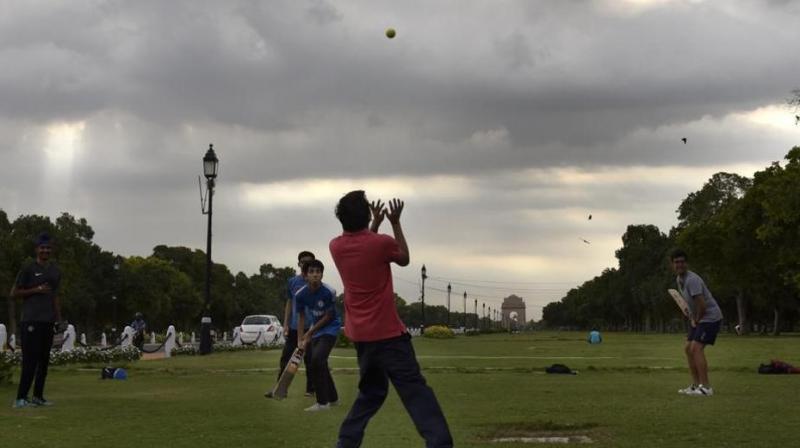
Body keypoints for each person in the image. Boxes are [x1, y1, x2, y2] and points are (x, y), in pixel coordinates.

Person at [330, 191, 453, 448]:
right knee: (415, 391)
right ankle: (440, 443)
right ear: (364, 215)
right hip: (389, 337)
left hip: (362, 337)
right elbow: (404, 258)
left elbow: (364, 243)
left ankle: (346, 442)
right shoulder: (381, 243)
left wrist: (374, 223)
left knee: (371, 393)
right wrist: (395, 222)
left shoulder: (336, 247)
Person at [10, 233, 62, 408]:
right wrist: (36, 289)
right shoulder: (28, 269)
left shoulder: (55, 271)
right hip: (31, 320)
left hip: (47, 321)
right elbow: (14, 293)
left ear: (51, 250)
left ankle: (38, 397)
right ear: (37, 249)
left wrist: (58, 319)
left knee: (43, 362)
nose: (45, 250)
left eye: (48, 248)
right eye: (42, 247)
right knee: (30, 361)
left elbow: (55, 296)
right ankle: (20, 398)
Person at [671, 249, 723, 397]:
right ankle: (696, 386)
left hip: (710, 317)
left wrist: (697, 320)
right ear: (672, 264)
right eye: (676, 262)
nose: (679, 265)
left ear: (686, 263)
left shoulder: (692, 279)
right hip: (699, 317)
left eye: (682, 262)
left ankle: (706, 388)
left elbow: (702, 305)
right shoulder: (679, 280)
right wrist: (689, 315)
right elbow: (689, 303)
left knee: (696, 349)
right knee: (688, 349)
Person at [266, 250, 315, 398]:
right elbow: (289, 302)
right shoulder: (293, 282)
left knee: (311, 360)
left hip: (311, 328)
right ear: (299, 264)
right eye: (303, 261)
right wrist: (285, 323)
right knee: (286, 359)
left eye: (309, 261)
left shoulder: (316, 282)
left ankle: (311, 390)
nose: (306, 264)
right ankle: (280, 389)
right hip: (294, 328)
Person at [296, 259, 341, 412]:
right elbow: (301, 317)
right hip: (315, 331)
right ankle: (333, 399)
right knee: (318, 363)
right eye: (311, 272)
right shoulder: (300, 295)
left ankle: (323, 403)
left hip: (331, 328)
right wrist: (300, 339)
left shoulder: (329, 291)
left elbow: (329, 316)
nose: (315, 275)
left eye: (318, 272)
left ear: (322, 274)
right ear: (305, 275)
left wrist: (309, 333)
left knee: (316, 360)